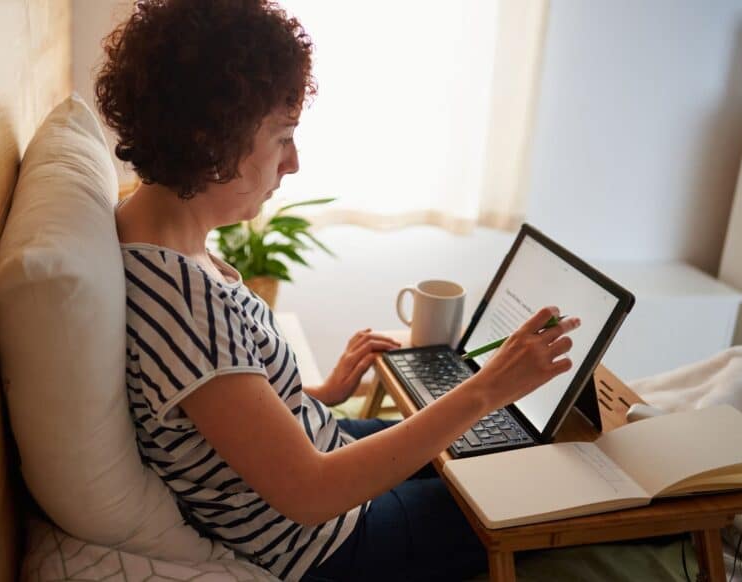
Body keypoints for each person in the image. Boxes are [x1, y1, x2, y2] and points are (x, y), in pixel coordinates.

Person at [98, 1, 579, 579]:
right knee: (540, 491)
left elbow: (215, 393)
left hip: (325, 449)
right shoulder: (183, 302)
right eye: (282, 137)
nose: (294, 162)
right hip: (332, 542)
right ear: (209, 140)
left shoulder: (161, 237)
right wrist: (486, 388)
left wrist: (319, 393)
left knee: (506, 449)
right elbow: (310, 494)